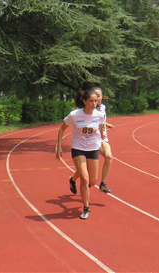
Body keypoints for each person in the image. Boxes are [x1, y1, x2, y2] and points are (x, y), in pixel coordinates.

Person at [56, 89, 105, 219]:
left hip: (93, 148)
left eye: (96, 101)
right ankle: (86, 207)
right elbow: (61, 129)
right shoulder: (74, 115)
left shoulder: (99, 115)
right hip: (78, 148)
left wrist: (103, 136)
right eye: (91, 101)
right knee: (85, 178)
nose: (94, 103)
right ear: (84, 101)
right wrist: (59, 147)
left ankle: (72, 179)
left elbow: (102, 126)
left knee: (93, 181)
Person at [92, 86, 113, 193]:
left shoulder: (103, 108)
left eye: (99, 95)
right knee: (88, 166)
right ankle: (73, 179)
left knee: (109, 157)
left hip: (103, 138)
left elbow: (101, 120)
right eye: (95, 95)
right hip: (91, 139)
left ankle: (103, 184)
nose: (98, 97)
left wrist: (105, 124)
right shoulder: (88, 109)